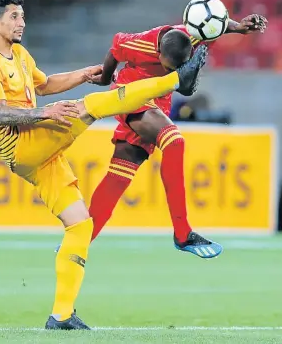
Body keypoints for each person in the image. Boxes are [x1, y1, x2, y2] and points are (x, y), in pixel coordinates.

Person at [0, 0, 207, 330]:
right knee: (92, 105)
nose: (22, 22)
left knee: (81, 224)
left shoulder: (18, 54)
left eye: (22, 16)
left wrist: (83, 73)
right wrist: (44, 112)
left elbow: (45, 84)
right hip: (22, 145)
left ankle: (61, 315)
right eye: (15, 17)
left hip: (44, 157)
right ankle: (174, 81)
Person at [85, 14, 267, 258]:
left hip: (157, 103)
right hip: (130, 94)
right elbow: (116, 46)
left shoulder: (195, 37)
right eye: (168, 68)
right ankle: (182, 233)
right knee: (174, 141)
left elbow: (214, 24)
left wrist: (238, 27)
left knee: (119, 173)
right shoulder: (142, 43)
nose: (171, 71)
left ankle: (78, 240)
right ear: (159, 53)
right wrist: (106, 77)